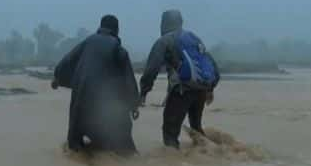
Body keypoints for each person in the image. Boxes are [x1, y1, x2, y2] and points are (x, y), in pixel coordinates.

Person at [51, 15, 140, 156]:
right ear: (116, 30)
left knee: (74, 149)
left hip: (80, 101)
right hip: (104, 103)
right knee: (126, 149)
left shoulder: (87, 42)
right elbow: (128, 78)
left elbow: (67, 61)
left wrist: (57, 78)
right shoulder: (118, 48)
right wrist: (134, 105)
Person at [140, 10, 220, 149]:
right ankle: (207, 156)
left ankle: (174, 163)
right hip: (201, 90)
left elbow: (151, 69)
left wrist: (143, 93)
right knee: (196, 129)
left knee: (170, 133)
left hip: (181, 92)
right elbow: (211, 64)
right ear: (181, 22)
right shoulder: (194, 38)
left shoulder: (164, 41)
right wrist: (210, 88)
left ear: (164, 23)